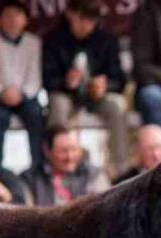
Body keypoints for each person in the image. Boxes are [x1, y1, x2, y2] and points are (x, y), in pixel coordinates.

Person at [42, 0, 128, 177]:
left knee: (117, 105)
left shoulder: (107, 40)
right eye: (82, 19)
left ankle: (119, 171)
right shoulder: (53, 39)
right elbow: (48, 82)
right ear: (70, 15)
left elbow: (119, 80)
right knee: (57, 103)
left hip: (97, 98)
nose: (87, 25)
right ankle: (55, 168)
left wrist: (105, 85)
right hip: (67, 96)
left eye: (92, 20)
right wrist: (66, 82)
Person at [0, 0, 44, 174]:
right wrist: (1, 93)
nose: (13, 20)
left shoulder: (34, 42)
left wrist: (21, 95)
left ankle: (38, 169)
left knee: (36, 113)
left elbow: (34, 79)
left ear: (25, 20)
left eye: (17, 15)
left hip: (25, 96)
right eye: (7, 16)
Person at [20, 124, 109, 206]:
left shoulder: (94, 175)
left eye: (74, 149)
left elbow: (104, 209)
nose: (69, 157)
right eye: (63, 151)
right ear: (47, 151)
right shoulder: (30, 179)